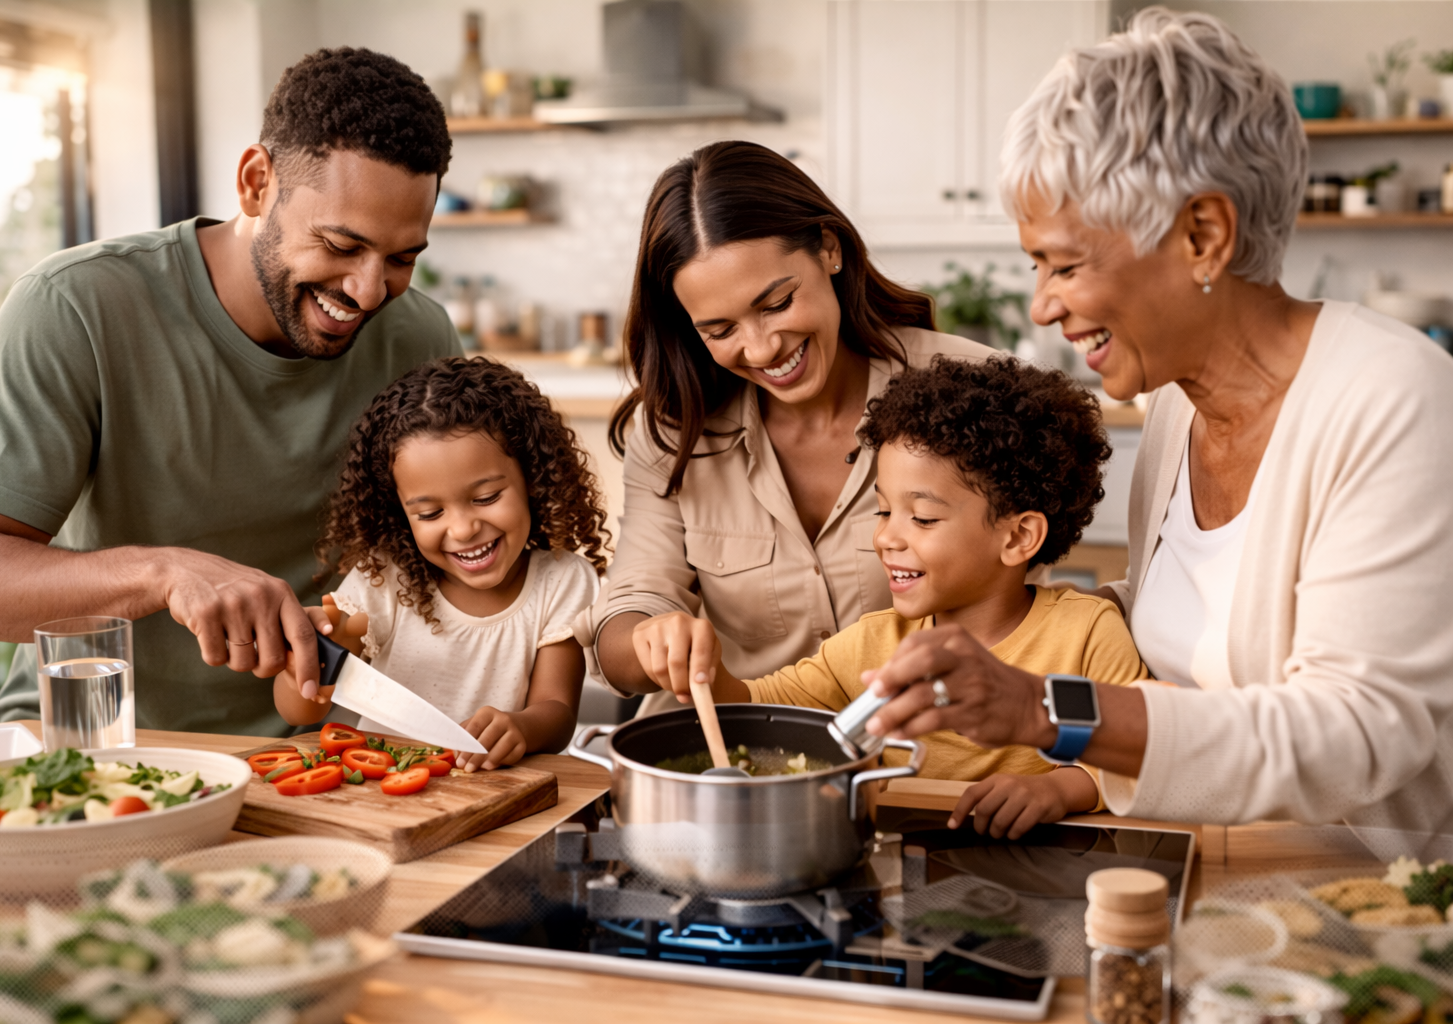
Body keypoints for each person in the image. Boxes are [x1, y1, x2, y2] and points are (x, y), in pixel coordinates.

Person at [863, 8, 1453, 847]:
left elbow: (1355, 733)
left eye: (1066, 263)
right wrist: (1014, 627)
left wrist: (1040, 706)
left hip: (1365, 914)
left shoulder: (1394, 398)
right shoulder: (1175, 404)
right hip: (1195, 871)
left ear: (1202, 236)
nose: (1042, 305)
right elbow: (1176, 632)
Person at [0, 48, 462, 736]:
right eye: (340, 245)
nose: (367, 289)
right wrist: (161, 574)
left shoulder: (419, 336)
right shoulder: (76, 307)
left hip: (325, 758)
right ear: (257, 182)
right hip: (103, 745)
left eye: (403, 258)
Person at [575, 140, 1000, 713]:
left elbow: (1030, 613)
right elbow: (630, 606)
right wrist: (652, 639)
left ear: (828, 249)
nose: (761, 347)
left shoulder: (972, 388)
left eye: (776, 303)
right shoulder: (677, 430)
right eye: (720, 329)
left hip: (927, 761)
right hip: (730, 761)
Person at [677, 356, 1146, 838]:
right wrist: (702, 665)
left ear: (1017, 537)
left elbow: (1139, 753)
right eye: (883, 511)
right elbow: (755, 711)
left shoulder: (1087, 633)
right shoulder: (873, 642)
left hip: (1041, 866)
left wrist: (1057, 789)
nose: (886, 538)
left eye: (921, 518)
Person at [274, 358, 607, 770]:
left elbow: (556, 712)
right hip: (383, 795)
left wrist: (521, 727)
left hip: (498, 798)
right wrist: (309, 665)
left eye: (486, 498)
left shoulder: (562, 580)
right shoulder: (383, 579)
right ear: (401, 514)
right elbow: (299, 712)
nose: (464, 529)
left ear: (532, 480)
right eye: (430, 514)